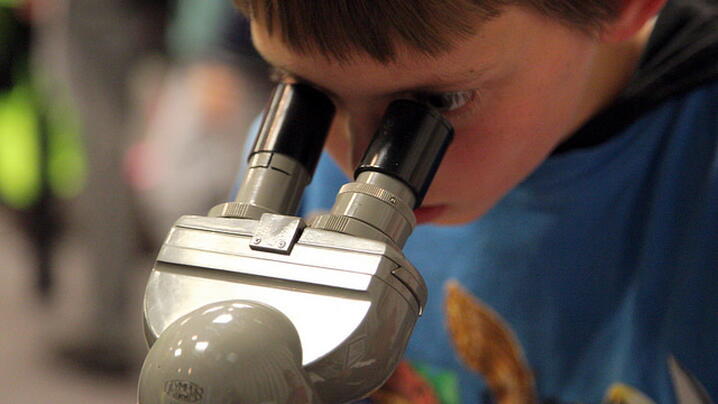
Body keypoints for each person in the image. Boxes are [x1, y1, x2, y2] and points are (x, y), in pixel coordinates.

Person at [232, 0, 718, 402]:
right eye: (307, 92)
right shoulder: (300, 161)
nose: (359, 164)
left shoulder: (697, 171)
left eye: (440, 102)